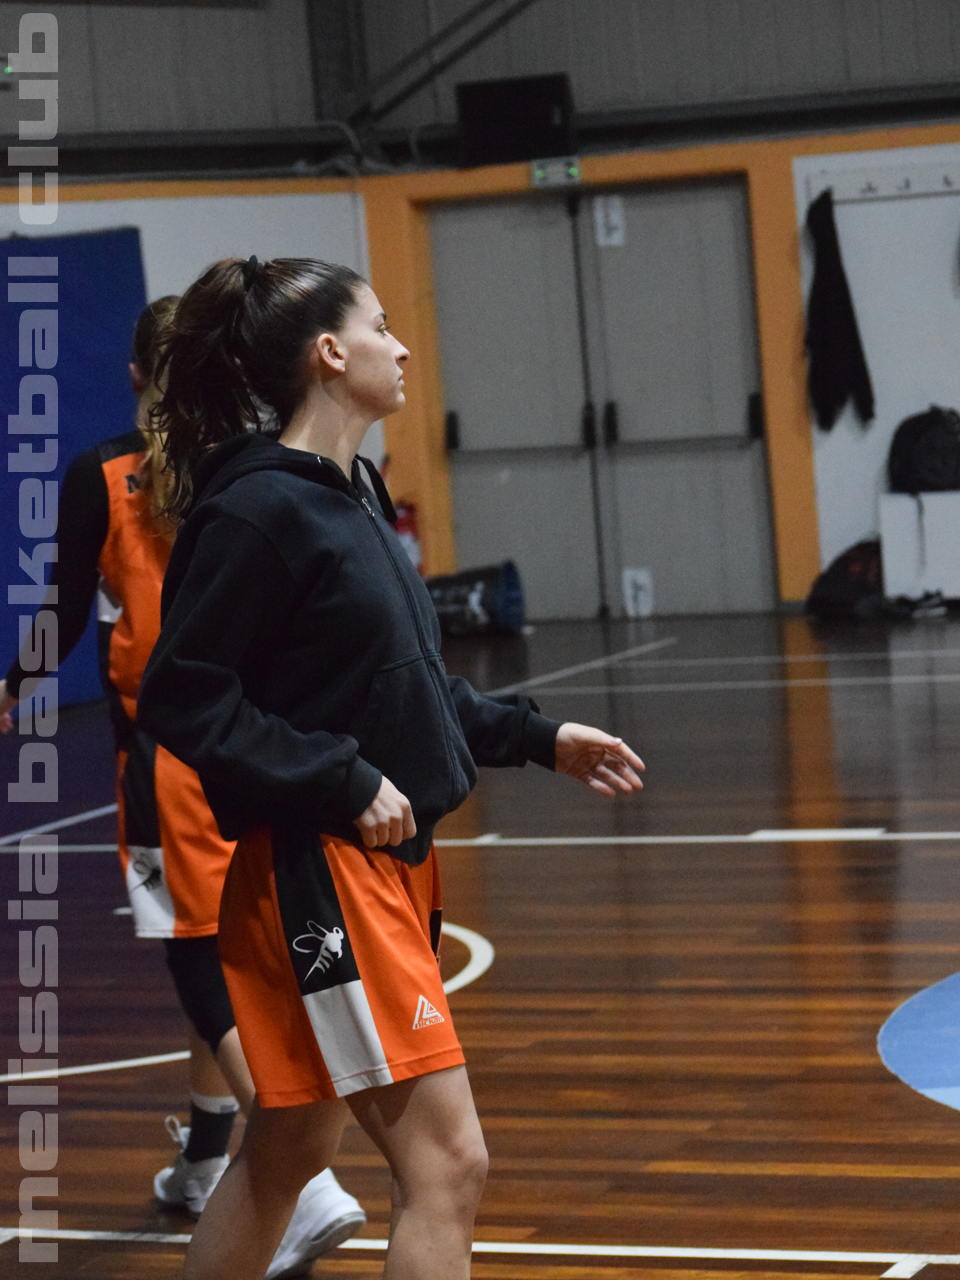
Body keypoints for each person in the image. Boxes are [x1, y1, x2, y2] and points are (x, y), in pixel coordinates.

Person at [137, 254, 646, 1280]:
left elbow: (401, 688)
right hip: (323, 876)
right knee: (449, 1164)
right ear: (330, 353)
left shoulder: (355, 492)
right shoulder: (257, 513)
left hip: (386, 865)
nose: (402, 346)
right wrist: (339, 776)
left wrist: (539, 736)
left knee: (289, 1147)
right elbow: (183, 695)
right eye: (379, 326)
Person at [0, 296, 366, 1278]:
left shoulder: (107, 473)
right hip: (269, 741)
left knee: (198, 962)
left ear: (134, 376)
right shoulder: (257, 461)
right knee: (233, 948)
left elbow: (63, 612)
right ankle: (207, 1158)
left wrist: (13, 687)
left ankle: (302, 1175)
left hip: (173, 748)